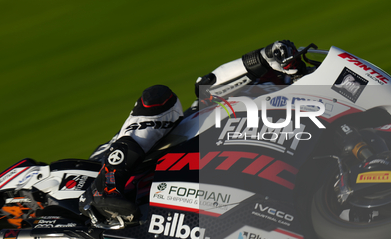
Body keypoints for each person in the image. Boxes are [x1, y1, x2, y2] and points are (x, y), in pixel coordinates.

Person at [80, 40, 307, 225]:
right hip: (159, 147)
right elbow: (207, 86)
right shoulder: (271, 79)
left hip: (195, 177)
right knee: (159, 97)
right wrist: (263, 57)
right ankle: (107, 184)